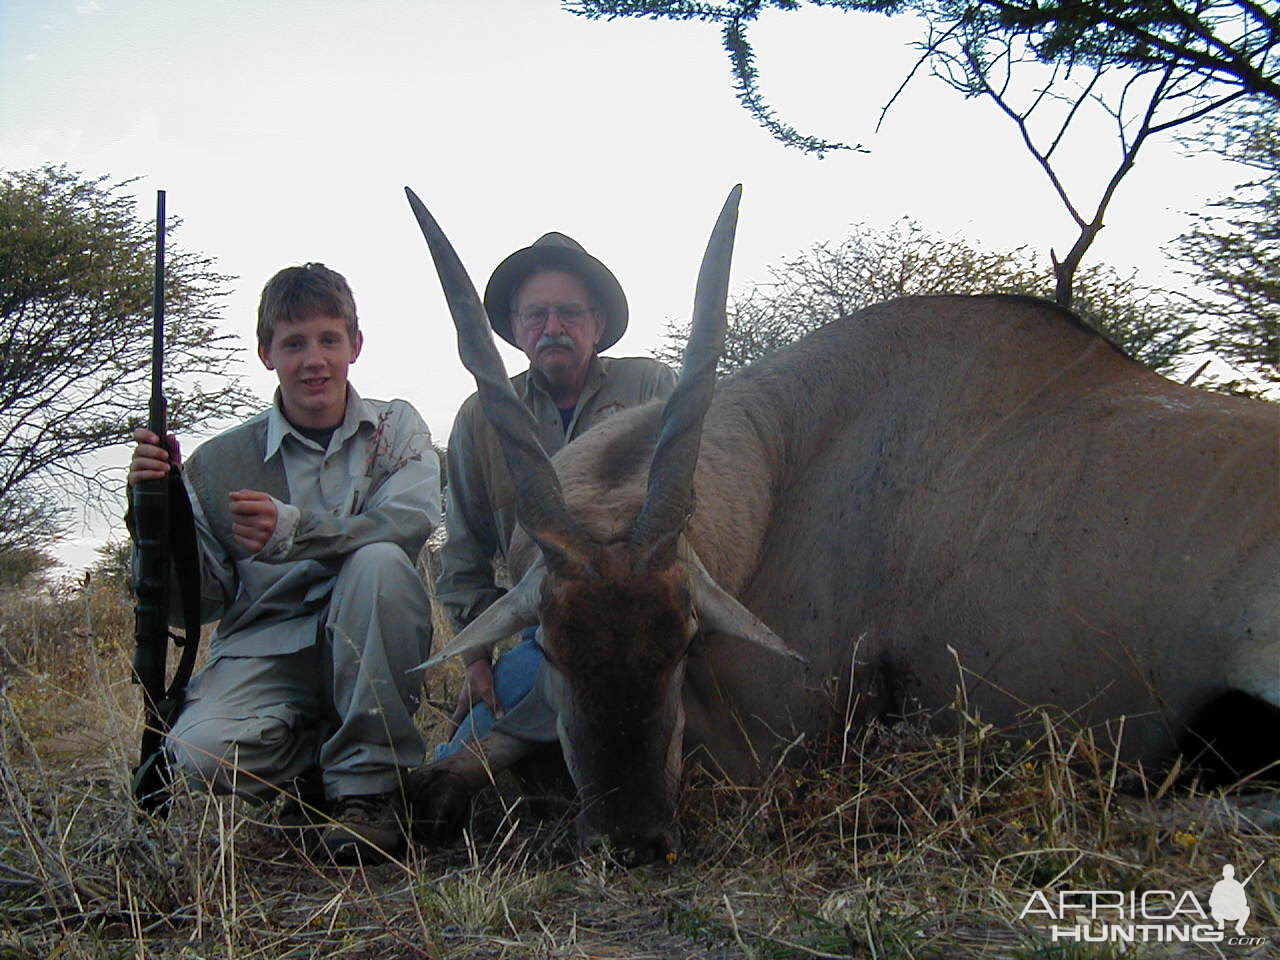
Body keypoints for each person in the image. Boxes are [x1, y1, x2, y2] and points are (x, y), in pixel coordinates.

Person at [127, 263, 440, 865]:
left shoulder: (395, 427)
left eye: (329, 339)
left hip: (369, 635)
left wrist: (295, 532)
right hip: (267, 649)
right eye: (293, 343)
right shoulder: (219, 460)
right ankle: (319, 770)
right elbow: (203, 601)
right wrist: (151, 517)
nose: (313, 360)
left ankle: (372, 792)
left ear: (356, 345)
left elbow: (408, 524)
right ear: (266, 352)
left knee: (377, 563)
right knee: (199, 753)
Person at [435, 232, 676, 757]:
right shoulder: (480, 419)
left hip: (651, 630)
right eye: (535, 315)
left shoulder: (653, 387)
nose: (552, 328)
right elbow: (463, 554)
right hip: (553, 636)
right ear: (516, 327)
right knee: (459, 759)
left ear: (598, 323)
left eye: (569, 313)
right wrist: (476, 656)